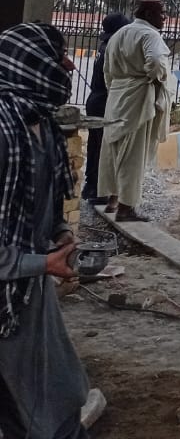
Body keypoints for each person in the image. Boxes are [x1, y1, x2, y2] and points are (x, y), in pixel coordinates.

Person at [0, 23, 91, 439]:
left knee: (56, 396)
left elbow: (46, 201)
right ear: (30, 62)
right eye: (57, 56)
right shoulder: (5, 129)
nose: (68, 65)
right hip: (10, 296)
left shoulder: (42, 123)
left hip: (26, 292)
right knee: (38, 408)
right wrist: (41, 263)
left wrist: (61, 233)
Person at [98, 0, 171, 221]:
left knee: (114, 149)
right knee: (134, 154)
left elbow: (107, 70)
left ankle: (112, 200)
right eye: (161, 13)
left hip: (117, 95)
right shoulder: (150, 35)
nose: (165, 18)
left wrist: (116, 89)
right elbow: (156, 61)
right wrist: (153, 77)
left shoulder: (119, 34)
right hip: (138, 98)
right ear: (148, 14)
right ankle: (126, 207)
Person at [82, 12, 129, 204]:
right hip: (104, 102)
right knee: (104, 148)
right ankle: (99, 191)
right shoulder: (114, 47)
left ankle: (91, 187)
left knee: (95, 146)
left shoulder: (104, 45)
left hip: (95, 99)